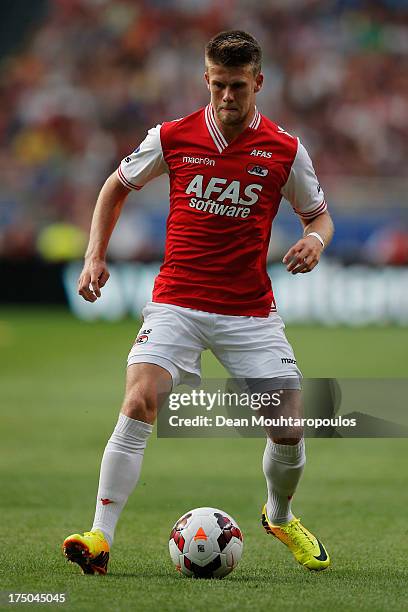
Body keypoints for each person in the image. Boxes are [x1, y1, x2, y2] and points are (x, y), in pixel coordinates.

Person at [62, 30, 334, 575]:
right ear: (204, 79)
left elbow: (318, 214)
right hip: (177, 302)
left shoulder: (285, 149)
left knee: (288, 426)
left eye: (237, 86)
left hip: (249, 311)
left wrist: (315, 240)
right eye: (217, 86)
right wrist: (94, 256)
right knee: (139, 399)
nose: (227, 97)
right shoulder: (171, 136)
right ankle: (99, 536)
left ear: (258, 82)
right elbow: (114, 187)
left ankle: (279, 515)